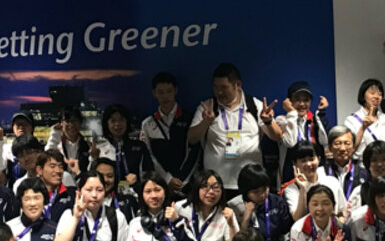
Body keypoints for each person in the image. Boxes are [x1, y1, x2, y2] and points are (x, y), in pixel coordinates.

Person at [188, 63, 275, 196]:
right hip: (216, 185)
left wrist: (268, 121)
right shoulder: (208, 108)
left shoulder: (254, 105)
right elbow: (191, 138)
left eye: (224, 87)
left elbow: (277, 136)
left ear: (237, 85)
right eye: (216, 87)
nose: (219, 92)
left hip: (251, 184)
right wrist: (205, 122)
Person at [141, 71, 201, 194]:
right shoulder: (147, 124)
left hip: (188, 184)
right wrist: (167, 179)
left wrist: (182, 181)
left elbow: (196, 152)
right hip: (161, 185)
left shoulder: (190, 118)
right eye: (160, 92)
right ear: (154, 93)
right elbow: (149, 155)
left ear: (176, 91)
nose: (165, 96)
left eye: (169, 91)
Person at [230, 164, 293, 241]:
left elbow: (287, 231)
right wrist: (246, 217)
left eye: (265, 189)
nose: (262, 195)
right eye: (256, 192)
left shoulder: (276, 202)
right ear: (245, 192)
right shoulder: (235, 206)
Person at [178, 169, 238, 241]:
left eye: (216, 187)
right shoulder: (181, 208)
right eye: (205, 186)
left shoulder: (226, 214)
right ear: (197, 188)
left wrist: (231, 225)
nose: (211, 192)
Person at [273, 80, 329, 181]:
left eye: (306, 100)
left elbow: (325, 142)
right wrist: (292, 113)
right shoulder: (281, 120)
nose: (302, 104)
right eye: (297, 99)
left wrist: (321, 114)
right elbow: (290, 142)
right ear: (289, 101)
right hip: (289, 175)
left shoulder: (315, 120)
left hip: (314, 174)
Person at [94, 104, 154, 191]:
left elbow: (149, 173)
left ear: (127, 122)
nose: (117, 124)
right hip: (108, 196)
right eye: (113, 120)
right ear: (107, 123)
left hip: (136, 194)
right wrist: (93, 157)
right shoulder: (100, 148)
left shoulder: (139, 146)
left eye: (121, 120)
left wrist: (138, 181)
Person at [282, 141, 344, 222]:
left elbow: (342, 212)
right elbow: (298, 218)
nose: (308, 164)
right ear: (295, 164)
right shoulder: (291, 189)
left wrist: (338, 229)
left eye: (311, 159)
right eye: (303, 161)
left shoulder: (332, 181)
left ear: (319, 159)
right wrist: (302, 189)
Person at [7, 177, 63, 241]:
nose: (32, 203)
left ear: (44, 199)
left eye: (37, 198)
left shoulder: (54, 229)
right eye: (27, 199)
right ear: (20, 202)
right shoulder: (8, 229)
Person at [322, 127, 367, 218]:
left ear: (354, 147)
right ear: (330, 148)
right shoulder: (321, 173)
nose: (342, 148)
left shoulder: (364, 174)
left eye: (347, 143)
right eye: (337, 143)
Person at [344, 78, 385, 162]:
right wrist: (363, 128)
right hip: (361, 165)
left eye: (380, 94)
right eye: (372, 93)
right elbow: (350, 149)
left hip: (382, 164)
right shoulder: (351, 120)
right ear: (363, 95)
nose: (376, 97)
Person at [46, 106, 92, 176]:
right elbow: (47, 156)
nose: (71, 124)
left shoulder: (88, 146)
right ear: (61, 123)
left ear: (80, 123)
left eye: (75, 120)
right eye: (67, 121)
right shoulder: (56, 144)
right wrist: (55, 133)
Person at [0, 111, 37, 177]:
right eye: (18, 124)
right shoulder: (6, 149)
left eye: (25, 124)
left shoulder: (38, 149)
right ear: (13, 128)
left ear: (32, 127)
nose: (21, 127)